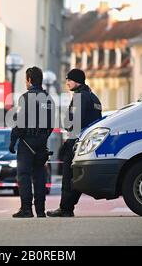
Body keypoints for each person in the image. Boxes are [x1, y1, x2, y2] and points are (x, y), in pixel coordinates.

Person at [47, 69, 102, 217]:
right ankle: (68, 206)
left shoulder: (79, 97)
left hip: (75, 142)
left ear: (77, 81)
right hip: (88, 142)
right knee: (76, 178)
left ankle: (65, 209)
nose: (67, 83)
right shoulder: (94, 97)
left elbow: (70, 122)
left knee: (68, 176)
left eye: (69, 80)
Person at [9, 67, 55, 218]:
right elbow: (51, 124)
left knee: (23, 175)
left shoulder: (25, 98)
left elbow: (20, 122)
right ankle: (40, 210)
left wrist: (13, 140)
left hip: (26, 142)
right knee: (40, 175)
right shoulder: (48, 99)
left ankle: (26, 209)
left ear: (29, 80)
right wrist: (43, 138)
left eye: (25, 80)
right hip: (41, 142)